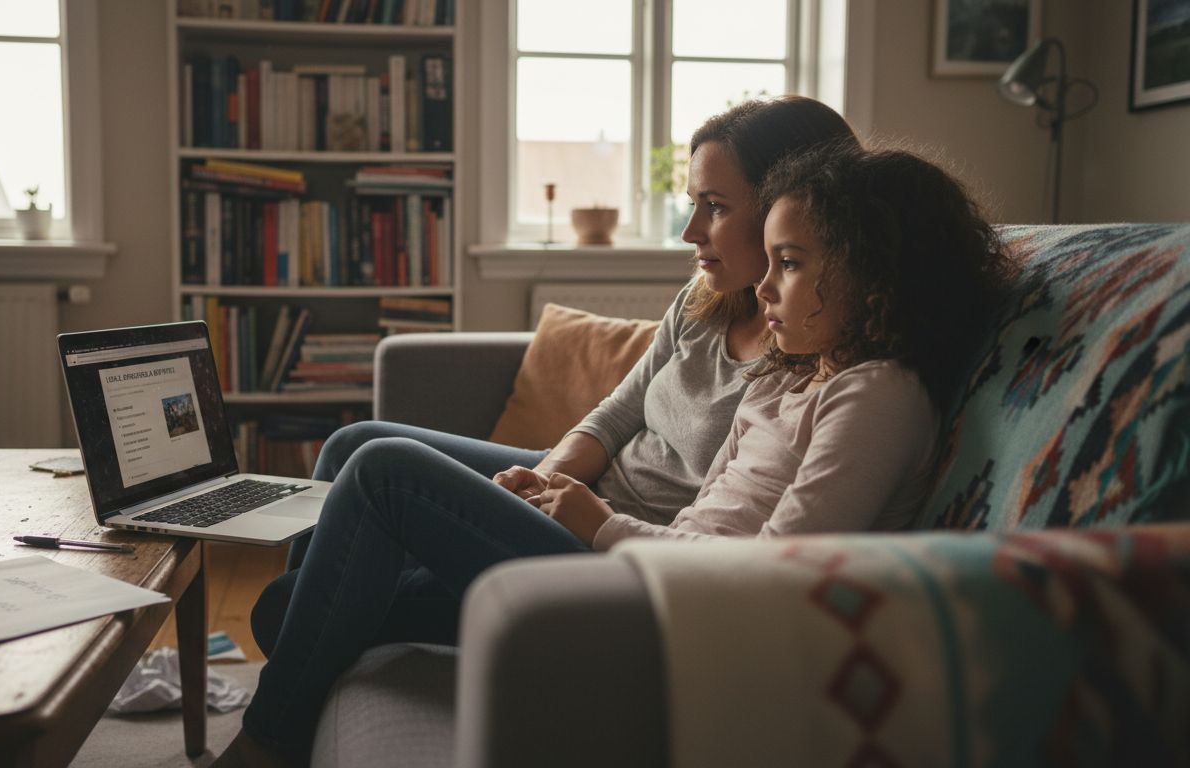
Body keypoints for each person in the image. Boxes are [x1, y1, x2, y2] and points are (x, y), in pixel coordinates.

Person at [213, 140, 1014, 766]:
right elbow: (702, 504)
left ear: (876, 278)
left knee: (383, 478)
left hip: (682, 619)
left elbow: (776, 576)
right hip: (651, 575)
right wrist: (581, 503)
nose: (765, 287)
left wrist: (600, 526)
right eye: (769, 261)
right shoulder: (793, 375)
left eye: (791, 264)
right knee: (310, 584)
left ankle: (269, 740)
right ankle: (303, 675)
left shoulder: (878, 397)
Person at [250, 96, 859, 649]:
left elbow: (724, 527)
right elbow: (619, 412)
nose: (690, 230)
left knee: (382, 475)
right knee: (355, 441)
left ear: (787, 207)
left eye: (716, 207)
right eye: (693, 202)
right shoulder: (705, 299)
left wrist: (566, 512)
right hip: (581, 494)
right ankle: (317, 635)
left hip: (613, 541)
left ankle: (298, 671)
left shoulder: (809, 359)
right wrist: (539, 480)